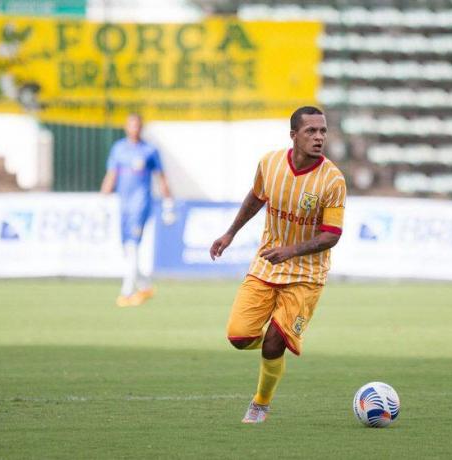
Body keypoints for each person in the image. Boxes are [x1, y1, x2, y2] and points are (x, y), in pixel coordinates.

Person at [209, 106, 346, 423]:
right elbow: (256, 197)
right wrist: (230, 233)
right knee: (239, 337)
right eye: (311, 131)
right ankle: (278, 335)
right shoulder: (270, 163)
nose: (319, 137)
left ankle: (260, 403)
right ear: (293, 135)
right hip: (266, 267)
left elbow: (332, 235)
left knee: (273, 343)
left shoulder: (333, 180)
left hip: (306, 275)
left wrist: (292, 251)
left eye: (323, 131)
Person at [100, 113, 175, 308]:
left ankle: (126, 292)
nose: (135, 129)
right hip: (123, 205)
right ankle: (145, 286)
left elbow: (161, 177)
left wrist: (168, 204)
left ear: (141, 128)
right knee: (127, 249)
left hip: (140, 205)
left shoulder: (149, 150)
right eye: (131, 126)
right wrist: (102, 200)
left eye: (138, 126)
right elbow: (111, 175)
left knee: (133, 246)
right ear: (126, 127)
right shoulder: (118, 149)